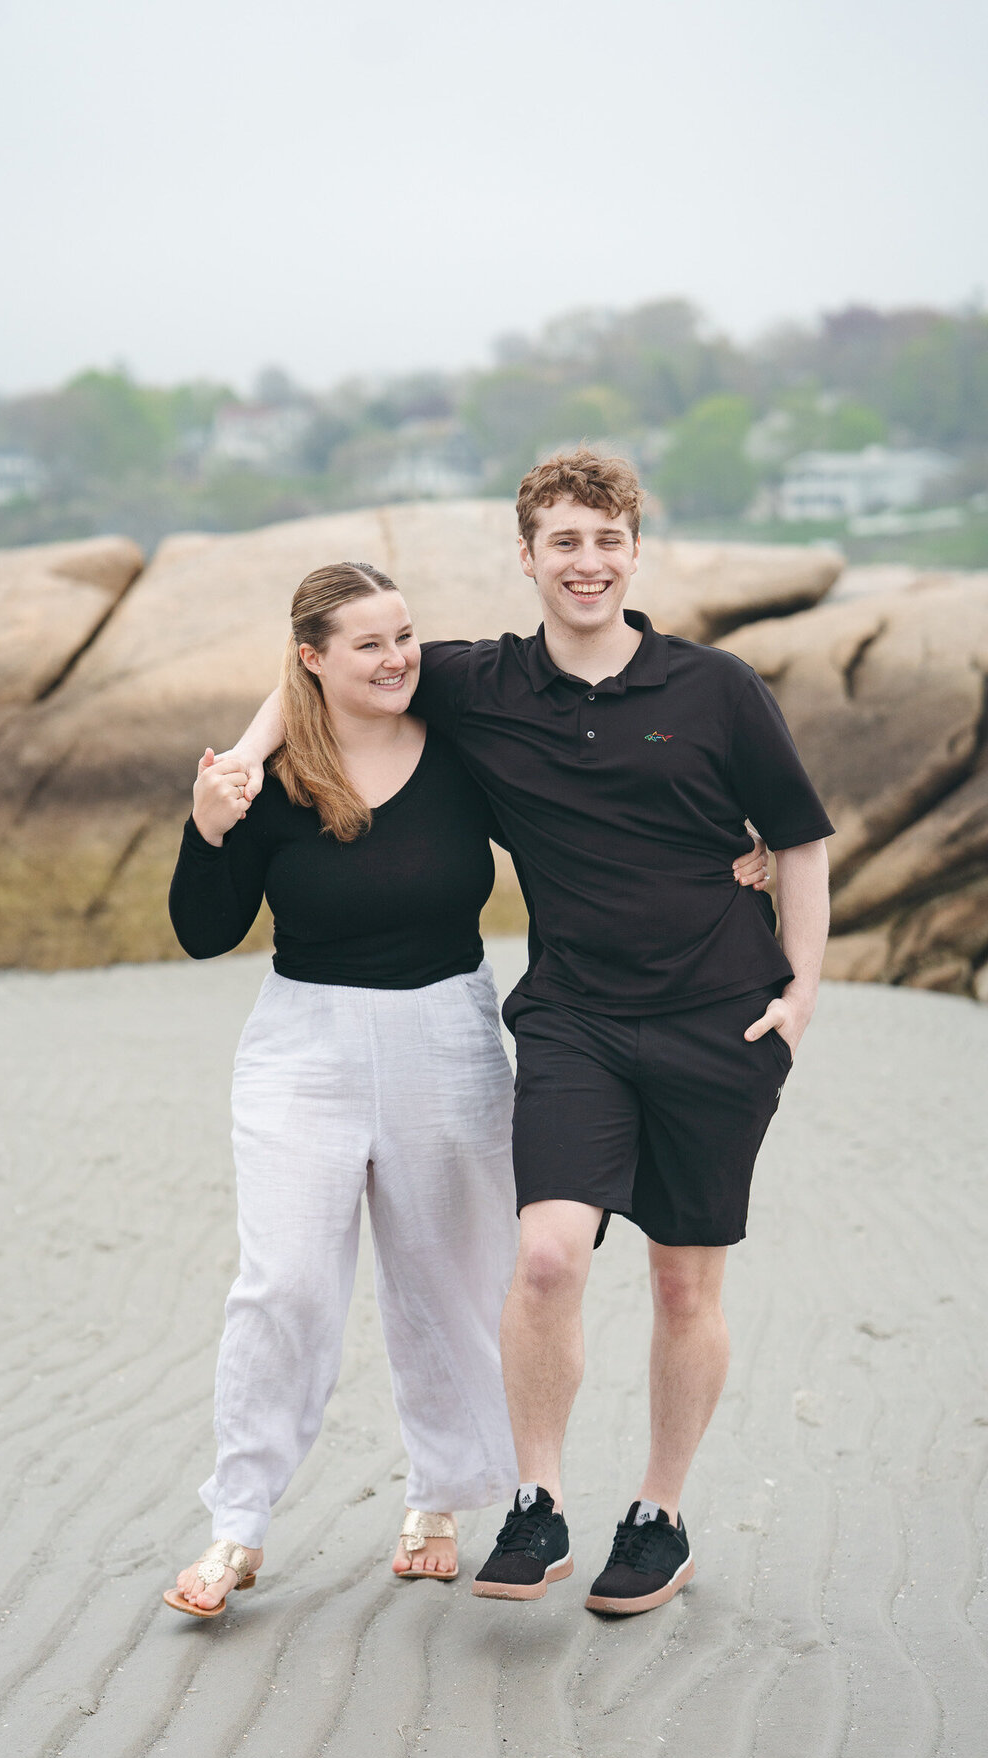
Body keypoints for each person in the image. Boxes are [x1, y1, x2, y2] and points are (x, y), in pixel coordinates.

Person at [227, 449, 830, 1618]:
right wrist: (247, 765)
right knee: (547, 1255)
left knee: (681, 1291)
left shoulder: (717, 688)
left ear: (635, 552)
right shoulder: (479, 683)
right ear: (529, 557)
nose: (587, 563)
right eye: (564, 542)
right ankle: (538, 1500)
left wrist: (800, 997)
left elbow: (798, 840)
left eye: (607, 542)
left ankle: (657, 1516)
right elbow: (318, 678)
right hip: (574, 1019)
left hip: (721, 1019)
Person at [162, 558, 521, 1617]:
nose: (398, 657)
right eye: (368, 644)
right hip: (301, 1046)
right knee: (285, 1286)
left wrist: (725, 862)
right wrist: (209, 818)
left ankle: (443, 1498)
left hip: (449, 1033)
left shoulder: (461, 755)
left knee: (451, 1280)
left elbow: (576, 839)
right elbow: (201, 931)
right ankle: (236, 1528)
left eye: (405, 634)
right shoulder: (265, 782)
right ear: (312, 661)